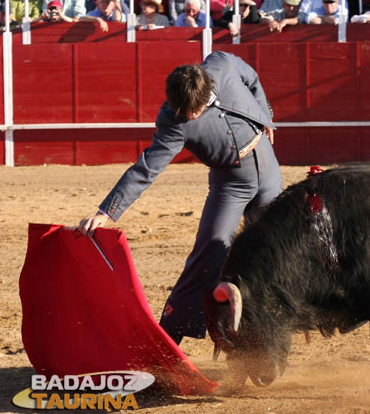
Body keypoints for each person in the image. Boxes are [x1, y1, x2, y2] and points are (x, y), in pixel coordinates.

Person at [77, 51, 283, 345]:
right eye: (182, 112)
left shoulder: (222, 63)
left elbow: (252, 78)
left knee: (274, 251)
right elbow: (146, 168)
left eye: (193, 111)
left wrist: (266, 117)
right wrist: (106, 212)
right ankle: (169, 339)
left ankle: (265, 336)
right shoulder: (173, 120)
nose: (187, 116)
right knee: (208, 252)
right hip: (230, 183)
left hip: (268, 164)